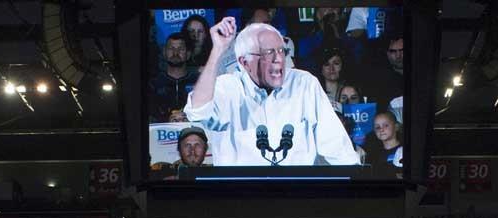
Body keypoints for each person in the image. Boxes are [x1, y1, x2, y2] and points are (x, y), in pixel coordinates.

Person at [183, 19, 359, 167]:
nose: (279, 60)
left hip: (296, 196)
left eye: (281, 51)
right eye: (268, 53)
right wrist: (217, 51)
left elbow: (337, 146)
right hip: (240, 198)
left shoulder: (304, 83)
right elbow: (197, 111)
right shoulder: (228, 87)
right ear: (245, 62)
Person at [151, 33, 199, 122]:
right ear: (164, 52)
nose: (175, 53)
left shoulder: (199, 82)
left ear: (188, 54)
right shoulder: (153, 84)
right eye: (171, 48)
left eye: (181, 49)